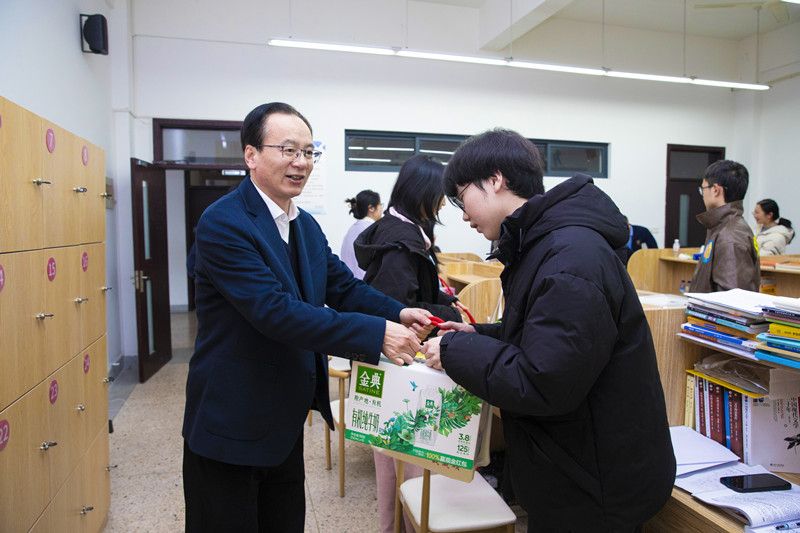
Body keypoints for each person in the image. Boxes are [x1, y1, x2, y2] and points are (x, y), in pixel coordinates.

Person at [182, 102, 432, 533]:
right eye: (288, 150)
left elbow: (342, 287)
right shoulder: (224, 223)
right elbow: (276, 312)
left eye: (309, 152)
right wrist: (376, 333)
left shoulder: (304, 225)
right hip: (230, 422)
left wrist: (398, 311)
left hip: (283, 421)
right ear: (251, 155)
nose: (301, 162)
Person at [421, 129, 675, 532]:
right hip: (580, 467)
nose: (463, 214)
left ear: (495, 180)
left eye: (461, 196)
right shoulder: (544, 245)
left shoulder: (571, 258)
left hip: (596, 487)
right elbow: (541, 336)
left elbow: (545, 380)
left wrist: (454, 350)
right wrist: (478, 336)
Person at [354, 154, 462, 533]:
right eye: (440, 195)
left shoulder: (398, 230)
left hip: (392, 361)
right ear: (422, 193)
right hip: (398, 362)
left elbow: (412, 293)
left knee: (394, 458)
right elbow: (400, 305)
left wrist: (443, 301)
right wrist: (447, 311)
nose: (444, 204)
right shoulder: (401, 242)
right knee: (406, 462)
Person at [691, 160, 760, 293]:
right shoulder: (722, 226)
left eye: (703, 189)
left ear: (716, 190)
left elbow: (732, 299)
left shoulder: (730, 236)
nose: (702, 195)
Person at [340, 189, 382, 279]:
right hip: (363, 283)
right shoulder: (372, 230)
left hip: (348, 281)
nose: (382, 209)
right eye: (380, 205)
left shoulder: (352, 229)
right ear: (371, 208)